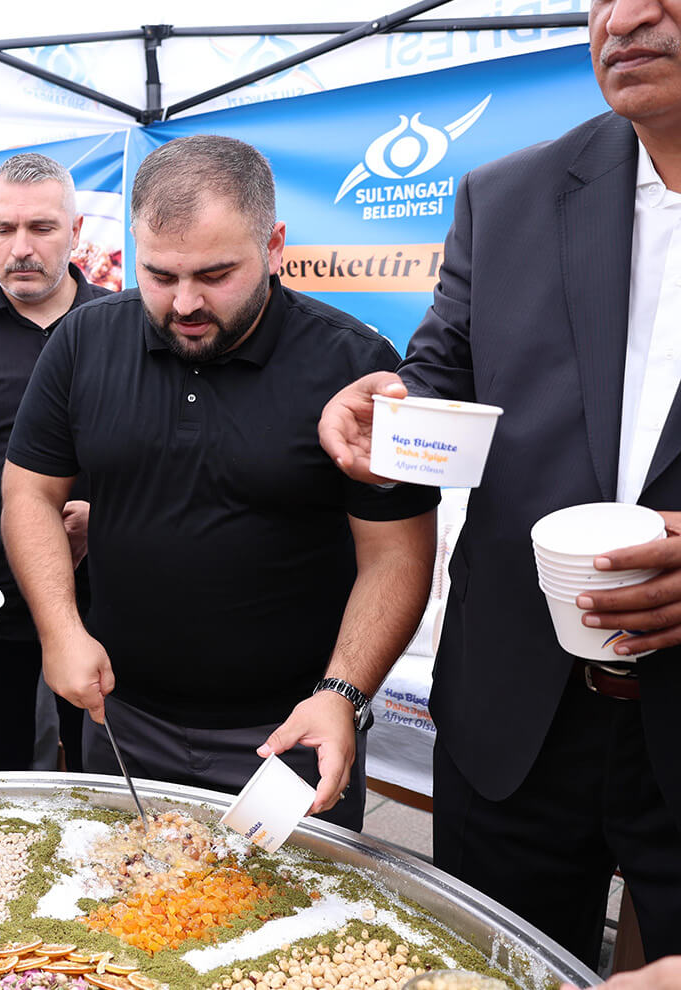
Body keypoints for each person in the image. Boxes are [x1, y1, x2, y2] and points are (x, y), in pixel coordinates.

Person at [318, 0, 681, 964]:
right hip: (516, 718)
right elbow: (440, 380)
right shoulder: (508, 195)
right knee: (492, 970)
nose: (629, 18)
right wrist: (380, 409)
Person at [2, 135, 438, 829]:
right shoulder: (83, 342)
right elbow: (29, 492)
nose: (184, 303)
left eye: (215, 273)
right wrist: (59, 630)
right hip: (122, 717)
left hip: (292, 730)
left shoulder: (353, 362)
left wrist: (342, 693)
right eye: (160, 275)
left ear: (276, 245)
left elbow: (398, 555)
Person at [0, 153, 109, 772]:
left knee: (102, 774)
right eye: (4, 230)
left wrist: (108, 516)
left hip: (109, 601)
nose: (20, 248)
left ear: (76, 231)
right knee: (0, 772)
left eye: (41, 228)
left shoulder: (127, 327)